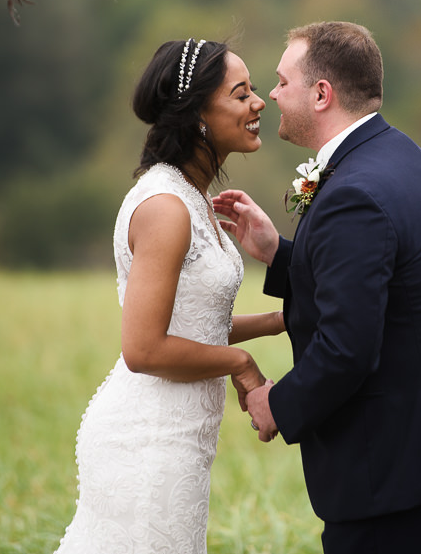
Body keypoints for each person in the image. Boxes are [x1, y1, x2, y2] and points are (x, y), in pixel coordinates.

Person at [214, 21, 421, 554]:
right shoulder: (401, 160)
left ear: (321, 94)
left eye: (282, 82)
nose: (272, 95)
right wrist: (280, 254)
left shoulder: (354, 193)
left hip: (398, 478)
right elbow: (387, 286)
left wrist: (278, 403)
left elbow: (348, 347)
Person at [54, 38, 284, 554]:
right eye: (241, 94)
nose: (259, 103)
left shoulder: (192, 196)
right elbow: (145, 349)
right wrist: (242, 364)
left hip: (179, 441)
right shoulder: (165, 206)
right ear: (198, 114)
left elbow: (193, 326)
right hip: (148, 441)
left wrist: (279, 320)